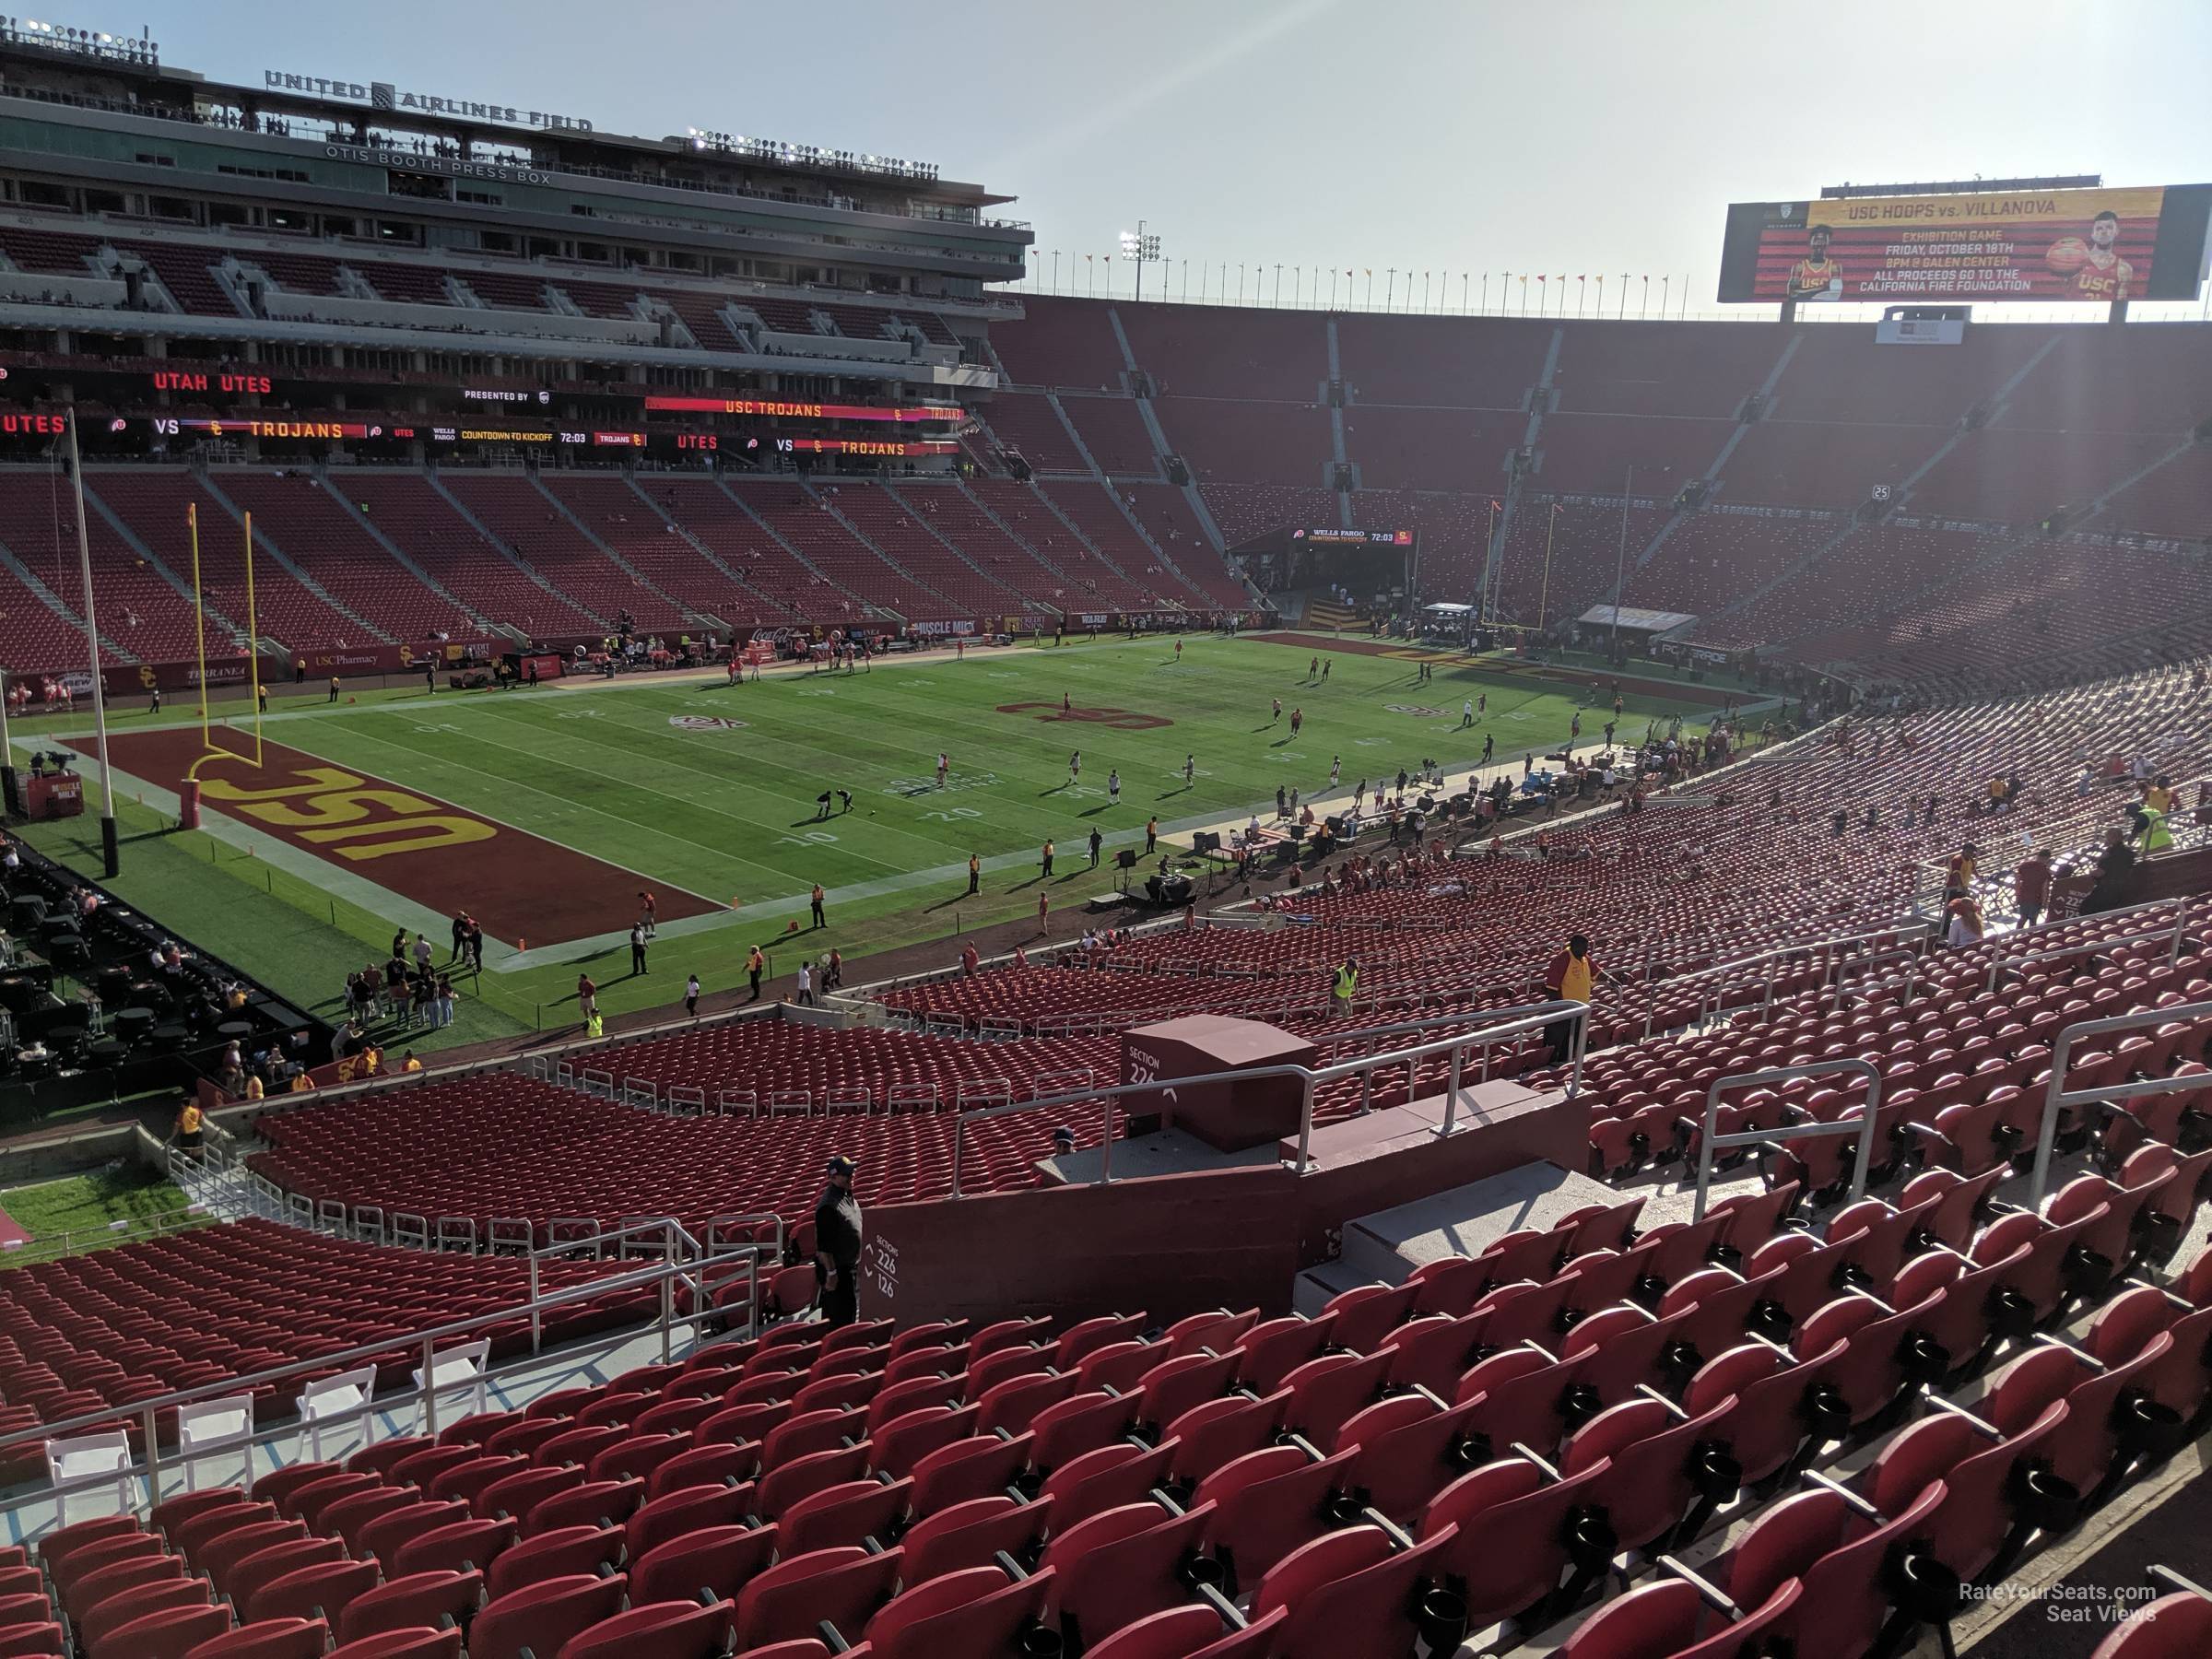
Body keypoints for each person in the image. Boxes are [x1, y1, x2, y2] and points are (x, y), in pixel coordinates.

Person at [814, 1154, 864, 1328]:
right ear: (833, 1177)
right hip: (838, 1272)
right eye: (847, 1174)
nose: (852, 1176)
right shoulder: (828, 1206)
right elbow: (824, 1248)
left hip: (849, 1268)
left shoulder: (847, 1195)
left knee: (848, 1316)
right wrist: (831, 1274)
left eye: (852, 1172)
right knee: (838, 1322)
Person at [1543, 934, 1599, 1065]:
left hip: (1580, 1009)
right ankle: (1550, 1064)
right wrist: (1559, 1010)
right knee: (1557, 1039)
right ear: (1574, 946)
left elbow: (1597, 972)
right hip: (1565, 1010)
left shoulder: (1585, 958)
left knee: (1572, 1040)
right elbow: (1552, 988)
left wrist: (1612, 980)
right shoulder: (1562, 959)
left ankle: (1566, 1062)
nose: (1586, 950)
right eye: (1584, 947)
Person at [1785, 220, 1846, 300]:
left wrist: (1804, 292)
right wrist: (1821, 288)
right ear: (1810, 242)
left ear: (1828, 243)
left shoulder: (1834, 267)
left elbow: (1834, 295)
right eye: (1816, 240)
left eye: (1823, 240)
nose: (1819, 244)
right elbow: (1792, 294)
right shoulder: (1799, 267)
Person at [2014, 848, 2053, 928]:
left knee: (2023, 918)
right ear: (2047, 859)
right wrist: (2044, 902)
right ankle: (2031, 937)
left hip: (2023, 896)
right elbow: (2045, 889)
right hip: (2036, 898)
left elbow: (2017, 882)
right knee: (2033, 920)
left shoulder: (2025, 866)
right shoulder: (2045, 871)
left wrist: (2017, 895)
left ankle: (2016, 935)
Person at [171, 1097, 206, 1162]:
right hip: (197, 1133)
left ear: (182, 1105)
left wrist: (172, 1137)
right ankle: (202, 1156)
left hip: (186, 1136)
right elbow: (202, 1120)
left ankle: (190, 1164)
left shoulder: (181, 1115)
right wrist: (200, 1127)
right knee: (196, 1151)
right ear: (190, 1103)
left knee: (186, 1152)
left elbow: (176, 1128)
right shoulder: (197, 1111)